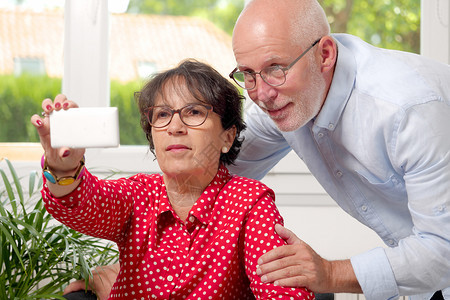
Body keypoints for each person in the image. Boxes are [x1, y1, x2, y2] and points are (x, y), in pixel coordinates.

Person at [30, 60, 315, 300]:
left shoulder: (249, 202)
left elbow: (284, 294)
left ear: (227, 137)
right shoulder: (137, 195)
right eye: (163, 114)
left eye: (194, 112)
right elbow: (81, 205)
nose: (175, 127)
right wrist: (63, 168)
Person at [227, 0, 450, 299]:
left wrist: (330, 273)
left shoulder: (406, 110)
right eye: (248, 74)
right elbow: (214, 172)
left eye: (276, 68)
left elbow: (442, 249)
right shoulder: (285, 100)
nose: (262, 94)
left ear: (325, 55)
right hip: (428, 278)